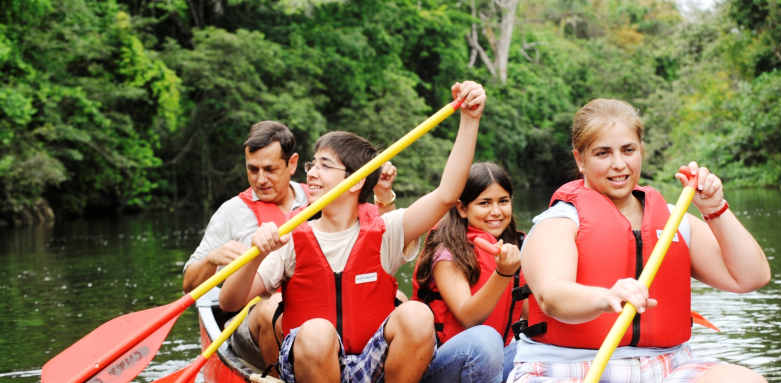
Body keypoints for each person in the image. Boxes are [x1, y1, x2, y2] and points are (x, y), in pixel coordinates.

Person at [219, 81, 488, 383]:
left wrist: (470, 119)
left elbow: (447, 194)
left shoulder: (387, 230)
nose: (311, 173)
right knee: (318, 331)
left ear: (357, 181)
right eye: (312, 164)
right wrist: (257, 255)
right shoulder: (291, 236)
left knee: (417, 314)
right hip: (312, 362)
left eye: (325, 166)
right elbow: (230, 302)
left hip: (371, 362)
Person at [509, 98, 771, 383]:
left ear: (641, 151)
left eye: (628, 150)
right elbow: (552, 297)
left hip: (665, 366)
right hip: (569, 367)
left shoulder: (673, 220)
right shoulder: (558, 222)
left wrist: (715, 209)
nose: (618, 164)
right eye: (603, 153)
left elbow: (750, 278)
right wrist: (606, 296)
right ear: (580, 159)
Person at [182, 120, 401, 373]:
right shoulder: (231, 213)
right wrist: (212, 260)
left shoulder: (324, 195)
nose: (260, 179)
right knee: (270, 309)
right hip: (248, 317)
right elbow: (190, 285)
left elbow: (378, 235)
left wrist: (384, 195)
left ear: (293, 163)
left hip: (317, 311)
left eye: (270, 169)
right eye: (252, 170)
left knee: (397, 300)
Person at [412, 162, 527, 383]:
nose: (496, 211)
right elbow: (469, 318)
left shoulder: (512, 247)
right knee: (485, 339)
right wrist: (503, 274)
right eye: (484, 203)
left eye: (503, 201)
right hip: (445, 363)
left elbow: (532, 313)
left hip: (492, 360)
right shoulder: (446, 252)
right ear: (463, 208)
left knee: (537, 346)